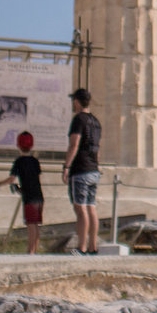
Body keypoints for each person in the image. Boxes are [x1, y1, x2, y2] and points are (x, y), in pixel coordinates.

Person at [64, 89, 102, 255]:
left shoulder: (79, 119)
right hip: (93, 168)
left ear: (78, 101)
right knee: (91, 207)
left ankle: (82, 247)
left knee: (80, 209)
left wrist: (66, 166)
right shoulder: (96, 121)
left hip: (80, 169)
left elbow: (74, 144)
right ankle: (93, 246)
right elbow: (97, 147)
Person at [7, 131, 45, 254]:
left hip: (30, 198)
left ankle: (31, 252)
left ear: (18, 145)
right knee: (36, 225)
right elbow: (34, 179)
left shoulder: (19, 162)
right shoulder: (35, 161)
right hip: (39, 196)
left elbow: (13, 179)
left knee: (31, 225)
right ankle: (34, 250)